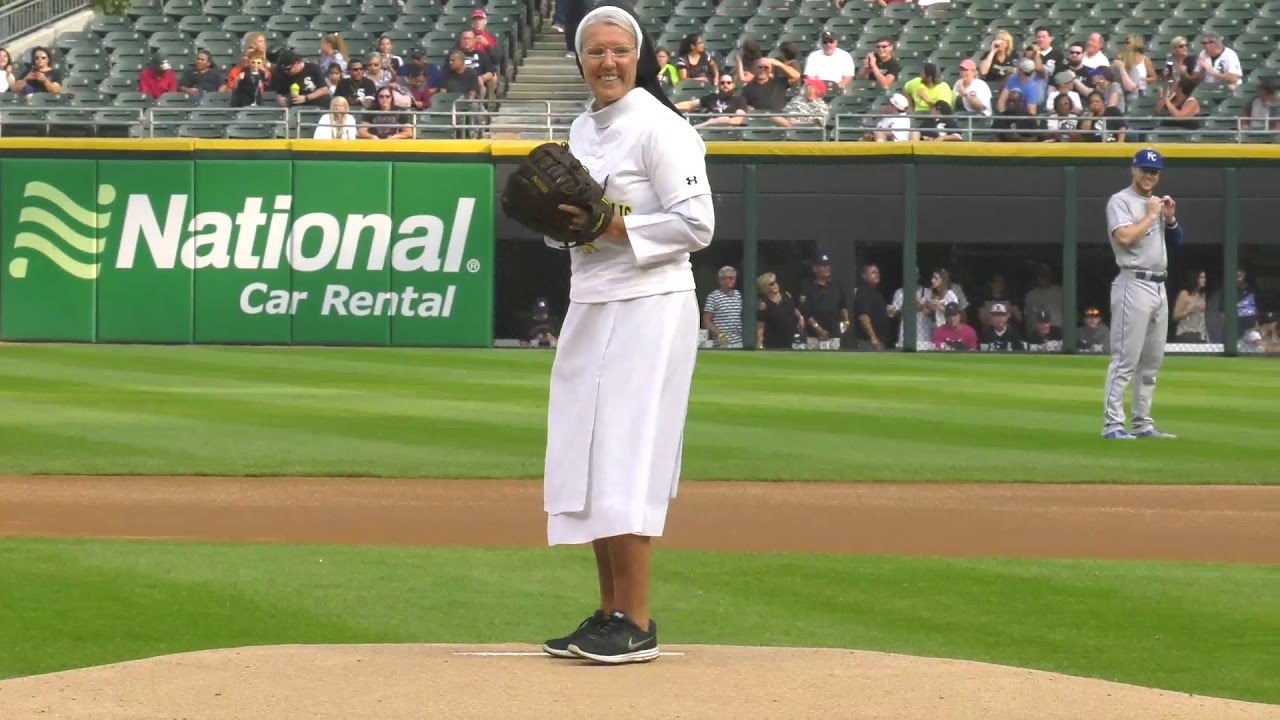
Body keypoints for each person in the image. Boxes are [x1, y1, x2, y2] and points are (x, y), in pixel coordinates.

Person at [538, 0, 714, 665]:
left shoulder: (662, 128)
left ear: (638, 56)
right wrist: (564, 228)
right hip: (594, 297)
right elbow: (579, 228)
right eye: (594, 51)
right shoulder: (584, 128)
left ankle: (636, 621)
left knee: (626, 451)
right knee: (585, 452)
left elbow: (698, 224)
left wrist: (607, 228)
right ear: (580, 60)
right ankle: (609, 612)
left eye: (619, 49)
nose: (607, 61)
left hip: (651, 303)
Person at [1101, 148, 1182, 440]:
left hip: (1159, 284)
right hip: (1133, 282)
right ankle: (1112, 424)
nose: (1150, 175)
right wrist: (1151, 215)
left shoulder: (1156, 204)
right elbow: (1123, 239)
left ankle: (1142, 423)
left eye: (1154, 171)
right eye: (1145, 169)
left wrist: (1169, 218)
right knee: (1125, 359)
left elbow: (1176, 241)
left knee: (1151, 362)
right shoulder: (1120, 201)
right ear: (1133, 170)